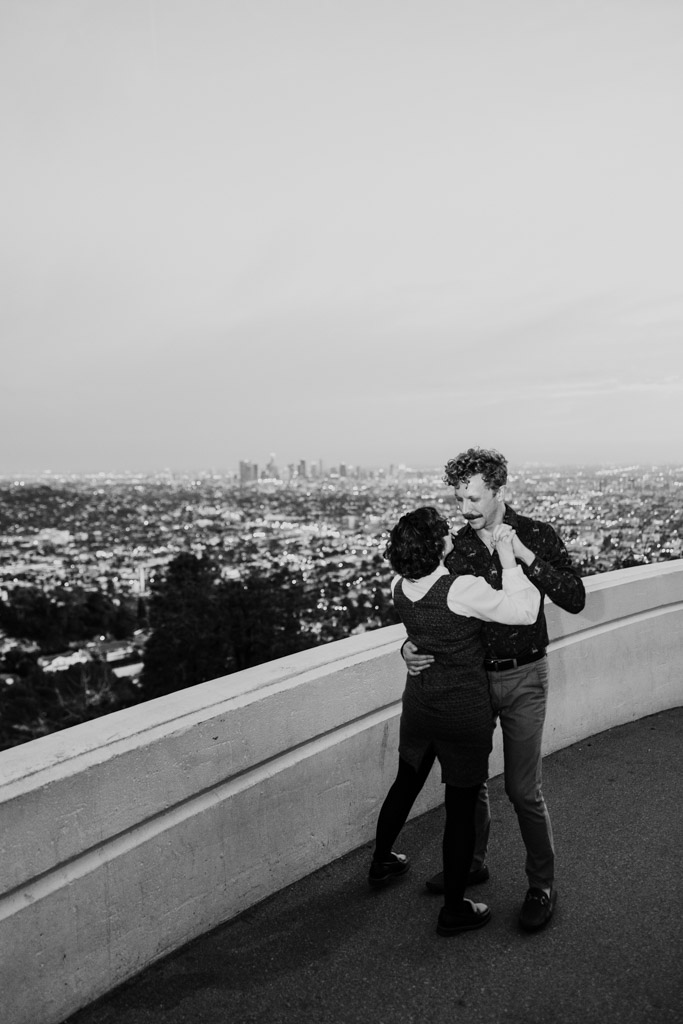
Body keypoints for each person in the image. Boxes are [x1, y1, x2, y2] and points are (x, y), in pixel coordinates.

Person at [403, 448, 586, 932]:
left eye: (474, 497)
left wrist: (524, 556)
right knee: (472, 784)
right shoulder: (455, 548)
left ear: (500, 490)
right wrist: (407, 645)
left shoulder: (536, 534)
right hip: (474, 679)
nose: (465, 507)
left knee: (523, 790)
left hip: (526, 674)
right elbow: (431, 608)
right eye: (459, 497)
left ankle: (541, 885)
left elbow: (575, 597)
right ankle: (473, 863)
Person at [369, 506, 541, 937]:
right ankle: (454, 909)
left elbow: (421, 633)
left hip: (420, 706)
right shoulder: (460, 588)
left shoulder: (399, 587)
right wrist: (507, 561)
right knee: (461, 810)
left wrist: (407, 647)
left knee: (405, 783)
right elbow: (524, 611)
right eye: (445, 533)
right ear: (438, 545)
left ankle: (381, 861)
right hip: (463, 711)